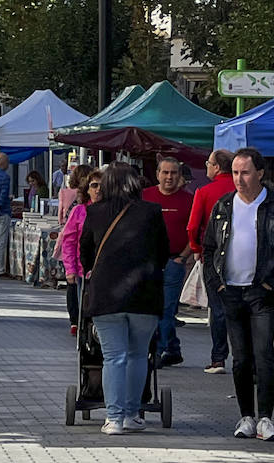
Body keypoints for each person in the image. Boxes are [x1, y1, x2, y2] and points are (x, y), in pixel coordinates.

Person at [201, 147, 274, 442]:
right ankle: (246, 416)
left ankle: (266, 418)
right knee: (240, 358)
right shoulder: (223, 206)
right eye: (235, 173)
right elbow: (209, 248)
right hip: (230, 291)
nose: (239, 179)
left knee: (264, 355)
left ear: (259, 173)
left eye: (245, 173)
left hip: (261, 293)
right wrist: (216, 284)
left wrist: (272, 283)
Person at [79, 163, 169, 434]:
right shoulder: (151, 211)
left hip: (107, 295)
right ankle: (132, 413)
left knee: (113, 357)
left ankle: (114, 418)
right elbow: (163, 250)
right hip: (145, 294)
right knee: (139, 355)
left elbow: (85, 253)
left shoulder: (94, 212)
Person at [142, 156, 195, 367]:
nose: (169, 177)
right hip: (149, 262)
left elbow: (196, 232)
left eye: (174, 173)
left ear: (180, 176)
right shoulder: (145, 197)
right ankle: (173, 348)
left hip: (175, 260)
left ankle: (160, 351)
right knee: (151, 308)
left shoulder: (188, 200)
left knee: (167, 308)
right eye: (165, 172)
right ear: (157, 175)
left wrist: (183, 257)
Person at [187, 149, 236, 374]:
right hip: (241, 255)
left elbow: (193, 226)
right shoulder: (241, 190)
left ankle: (218, 358)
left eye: (208, 163)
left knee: (217, 307)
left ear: (216, 167)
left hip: (213, 254)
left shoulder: (204, 192)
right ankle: (243, 356)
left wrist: (197, 249)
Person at [59, 172, 100, 336]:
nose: (98, 190)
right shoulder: (79, 211)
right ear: (87, 189)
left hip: (105, 270)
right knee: (84, 306)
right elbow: (68, 241)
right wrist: (70, 269)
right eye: (94, 185)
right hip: (82, 269)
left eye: (102, 186)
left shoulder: (112, 211)